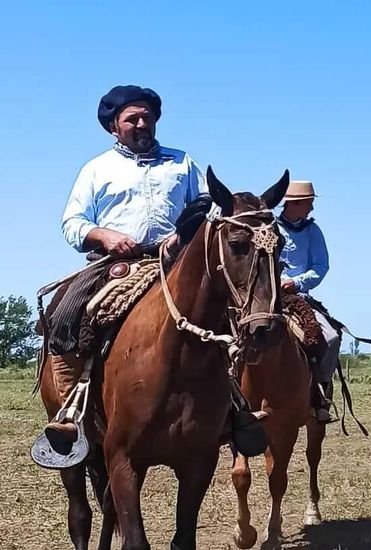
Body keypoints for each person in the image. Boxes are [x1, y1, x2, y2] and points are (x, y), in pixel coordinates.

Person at [46, 85, 206, 446]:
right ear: (113, 127)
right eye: (132, 118)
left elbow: (206, 208)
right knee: (64, 314)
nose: (141, 123)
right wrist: (104, 235)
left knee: (229, 315)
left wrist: (182, 235)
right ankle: (71, 409)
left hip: (177, 262)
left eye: (147, 117)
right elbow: (73, 222)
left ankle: (236, 407)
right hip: (115, 262)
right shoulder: (96, 169)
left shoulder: (182, 163)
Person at [276, 180, 341, 422]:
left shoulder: (313, 231)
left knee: (331, 338)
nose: (311, 209)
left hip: (300, 298)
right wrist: (278, 279)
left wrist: (297, 282)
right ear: (294, 203)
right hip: (267, 295)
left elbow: (321, 266)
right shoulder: (269, 226)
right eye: (309, 204)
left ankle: (320, 393)